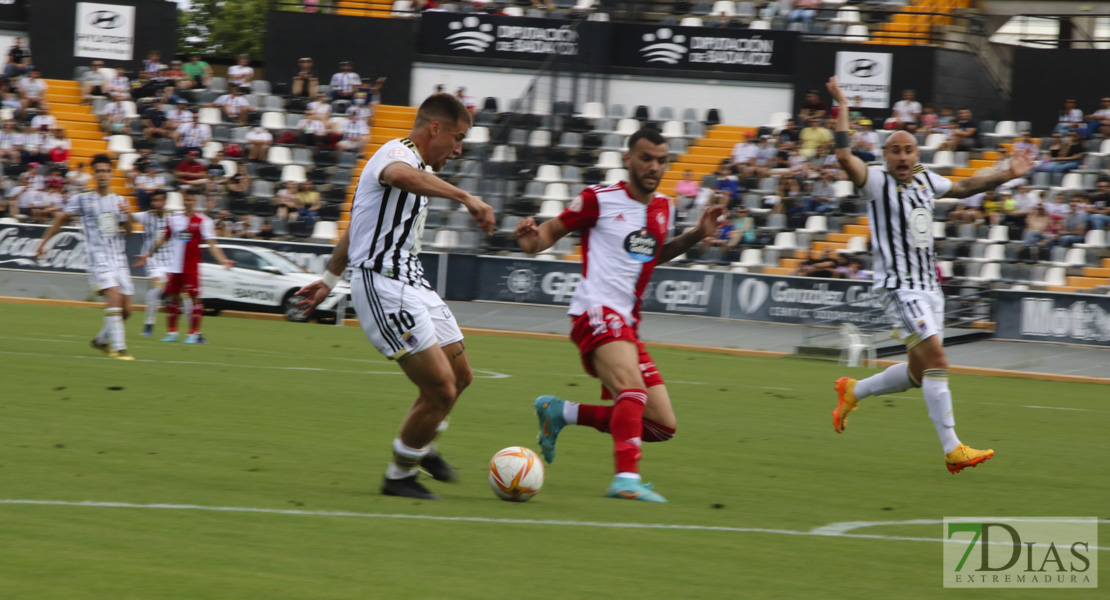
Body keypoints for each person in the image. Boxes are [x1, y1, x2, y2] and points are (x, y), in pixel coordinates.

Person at [825, 75, 1035, 474]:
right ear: (885, 156)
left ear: (916, 153)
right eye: (895, 151)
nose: (902, 157)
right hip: (898, 289)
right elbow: (842, 157)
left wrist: (1009, 172)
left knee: (921, 374)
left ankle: (853, 390)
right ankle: (953, 448)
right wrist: (843, 107)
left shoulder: (924, 179)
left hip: (929, 289)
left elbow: (965, 186)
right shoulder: (874, 182)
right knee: (938, 358)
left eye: (908, 150)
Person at [293, 93, 495, 500]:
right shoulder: (396, 152)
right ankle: (399, 475)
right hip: (383, 285)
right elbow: (403, 178)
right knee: (440, 389)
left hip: (413, 281)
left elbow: (357, 229)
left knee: (461, 377)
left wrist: (328, 281)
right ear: (434, 129)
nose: (458, 150)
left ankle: (422, 445)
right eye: (457, 138)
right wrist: (466, 197)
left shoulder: (418, 166)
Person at [514, 128, 727, 502]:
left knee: (661, 425)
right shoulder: (598, 199)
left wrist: (697, 234)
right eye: (646, 158)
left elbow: (652, 255)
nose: (654, 167)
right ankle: (625, 477)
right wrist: (529, 238)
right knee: (632, 390)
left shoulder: (664, 207)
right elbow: (545, 235)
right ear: (628, 159)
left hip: (626, 323)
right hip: (595, 311)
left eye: (661, 160)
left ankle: (560, 412)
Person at [36, 154, 136, 360]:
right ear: (93, 173)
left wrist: (128, 216)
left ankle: (100, 341)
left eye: (106, 171)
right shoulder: (82, 199)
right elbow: (61, 217)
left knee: (127, 310)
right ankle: (119, 348)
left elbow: (128, 232)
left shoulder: (120, 201)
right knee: (114, 296)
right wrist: (43, 242)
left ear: (111, 174)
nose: (102, 175)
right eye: (98, 171)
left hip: (119, 258)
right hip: (97, 256)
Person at [137, 191, 234, 344]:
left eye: (191, 199)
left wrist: (223, 259)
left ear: (195, 201)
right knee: (172, 299)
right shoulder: (174, 220)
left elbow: (212, 244)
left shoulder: (203, 221)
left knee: (194, 299)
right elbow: (163, 240)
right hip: (174, 267)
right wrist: (148, 254)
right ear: (183, 201)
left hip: (190, 267)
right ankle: (172, 333)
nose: (188, 202)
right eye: (186, 200)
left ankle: (193, 334)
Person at [132, 190, 173, 338]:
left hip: (171, 260)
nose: (156, 204)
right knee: (156, 287)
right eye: (154, 201)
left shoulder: (173, 217)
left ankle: (183, 331)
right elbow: (130, 216)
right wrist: (124, 211)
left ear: (165, 202)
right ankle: (149, 325)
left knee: (178, 296)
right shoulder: (147, 216)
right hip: (152, 259)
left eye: (159, 200)